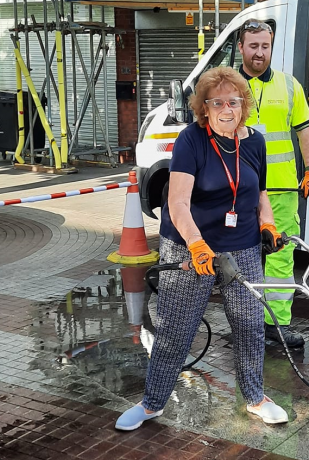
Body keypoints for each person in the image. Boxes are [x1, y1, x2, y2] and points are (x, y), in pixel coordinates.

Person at [115, 67, 289, 431]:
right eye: (217, 102)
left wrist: (267, 224)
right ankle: (152, 403)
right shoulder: (191, 141)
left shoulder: (255, 142)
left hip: (241, 248)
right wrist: (196, 245)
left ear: (244, 105)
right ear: (204, 108)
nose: (227, 108)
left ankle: (255, 397)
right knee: (175, 330)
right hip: (189, 247)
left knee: (250, 326)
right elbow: (177, 203)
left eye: (234, 101)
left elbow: (260, 194)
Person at [238, 19, 309, 349]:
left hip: (282, 190)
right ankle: (244, 320)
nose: (260, 53)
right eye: (253, 46)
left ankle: (276, 324)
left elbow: (305, 132)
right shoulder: (229, 87)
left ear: (272, 46)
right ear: (241, 47)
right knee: (239, 258)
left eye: (265, 46)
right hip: (239, 191)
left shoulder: (289, 86)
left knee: (280, 259)